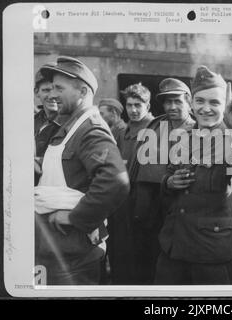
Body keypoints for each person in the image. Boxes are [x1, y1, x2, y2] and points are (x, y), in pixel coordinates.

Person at [154, 66, 232, 285]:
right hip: (173, 246)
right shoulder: (182, 136)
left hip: (211, 251)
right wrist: (169, 182)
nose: (206, 109)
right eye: (200, 101)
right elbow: (168, 174)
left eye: (214, 102)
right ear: (192, 104)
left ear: (225, 107)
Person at [34, 56, 130, 285]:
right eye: (51, 87)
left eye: (59, 88)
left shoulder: (90, 129)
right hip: (56, 246)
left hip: (73, 253)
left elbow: (115, 181)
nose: (52, 94)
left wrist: (75, 217)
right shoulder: (68, 127)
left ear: (83, 91)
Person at [106, 83, 154, 284]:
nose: (133, 110)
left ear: (148, 106)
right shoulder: (122, 131)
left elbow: (150, 180)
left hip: (141, 207)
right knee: (119, 255)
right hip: (121, 204)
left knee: (139, 261)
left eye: (138, 105)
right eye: (130, 105)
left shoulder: (154, 129)